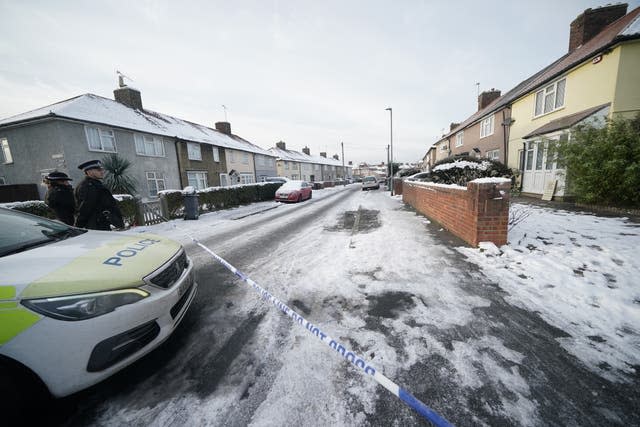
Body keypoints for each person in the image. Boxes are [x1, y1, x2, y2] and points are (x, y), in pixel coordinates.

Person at [74, 160, 124, 230]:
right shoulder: (88, 186)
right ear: (89, 172)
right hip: (96, 225)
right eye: (98, 170)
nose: (102, 172)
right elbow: (85, 208)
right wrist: (78, 226)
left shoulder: (96, 184)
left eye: (102, 169)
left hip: (102, 222)